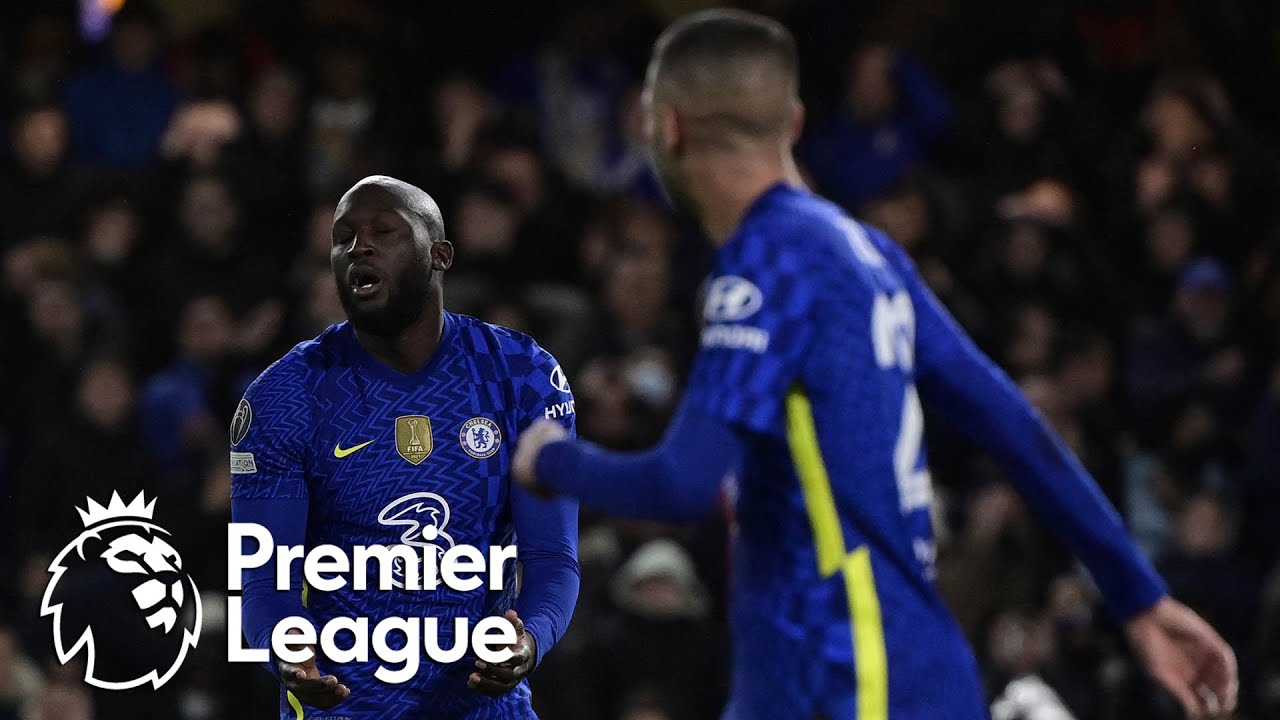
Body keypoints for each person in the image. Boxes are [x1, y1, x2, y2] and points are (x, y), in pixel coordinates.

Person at [512, 10, 1237, 720]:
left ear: (666, 127)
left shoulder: (769, 262)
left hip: (849, 670)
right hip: (849, 671)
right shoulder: (867, 255)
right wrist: (1138, 596)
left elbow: (683, 481)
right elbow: (1017, 428)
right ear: (794, 122)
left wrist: (548, 459)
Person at [231, 175, 580, 718]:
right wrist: (285, 650)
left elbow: (551, 557)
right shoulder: (285, 395)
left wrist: (529, 639)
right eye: (343, 238)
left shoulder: (521, 376)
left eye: (384, 231)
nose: (359, 247)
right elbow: (262, 579)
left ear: (439, 254)